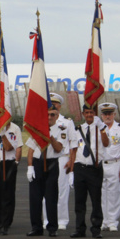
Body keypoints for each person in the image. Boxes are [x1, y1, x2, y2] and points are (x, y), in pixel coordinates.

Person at [26, 102, 65, 237]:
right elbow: (30, 150)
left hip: (52, 164)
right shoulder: (37, 129)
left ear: (57, 116)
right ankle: (36, 227)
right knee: (35, 198)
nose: (49, 117)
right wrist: (30, 167)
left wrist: (50, 136)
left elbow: (59, 148)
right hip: (37, 163)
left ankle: (52, 227)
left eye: (52, 115)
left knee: (51, 197)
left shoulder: (61, 130)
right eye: (47, 115)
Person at [70, 104, 109, 238]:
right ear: (83, 114)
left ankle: (96, 228)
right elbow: (74, 149)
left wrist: (102, 128)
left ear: (95, 113)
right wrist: (71, 170)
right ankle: (79, 228)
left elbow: (106, 143)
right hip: (80, 168)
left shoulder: (101, 128)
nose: (89, 115)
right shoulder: (78, 129)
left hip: (94, 169)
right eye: (86, 113)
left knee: (96, 200)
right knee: (79, 201)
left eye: (91, 112)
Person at [45, 93, 76, 231]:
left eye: (56, 104)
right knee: (46, 191)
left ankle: (62, 219)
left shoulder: (67, 123)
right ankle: (47, 219)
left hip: (62, 158)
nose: (53, 105)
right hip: (47, 158)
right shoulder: (44, 120)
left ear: (60, 106)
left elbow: (73, 144)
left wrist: (71, 162)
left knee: (62, 190)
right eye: (51, 103)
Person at [98, 103, 120, 232]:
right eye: (105, 114)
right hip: (100, 164)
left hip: (115, 163)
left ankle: (113, 221)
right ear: (101, 115)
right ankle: (104, 220)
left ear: (114, 114)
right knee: (101, 194)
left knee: (114, 194)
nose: (107, 116)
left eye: (110, 113)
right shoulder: (97, 128)